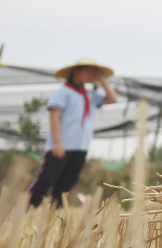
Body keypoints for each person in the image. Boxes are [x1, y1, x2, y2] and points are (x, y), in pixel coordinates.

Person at [27, 57, 119, 208]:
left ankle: (54, 213)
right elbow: (54, 116)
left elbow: (113, 99)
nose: (91, 76)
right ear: (77, 72)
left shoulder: (90, 96)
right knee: (46, 179)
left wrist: (102, 79)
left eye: (93, 73)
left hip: (80, 147)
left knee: (67, 183)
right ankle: (27, 208)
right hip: (61, 145)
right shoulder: (63, 92)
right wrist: (57, 142)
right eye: (89, 72)